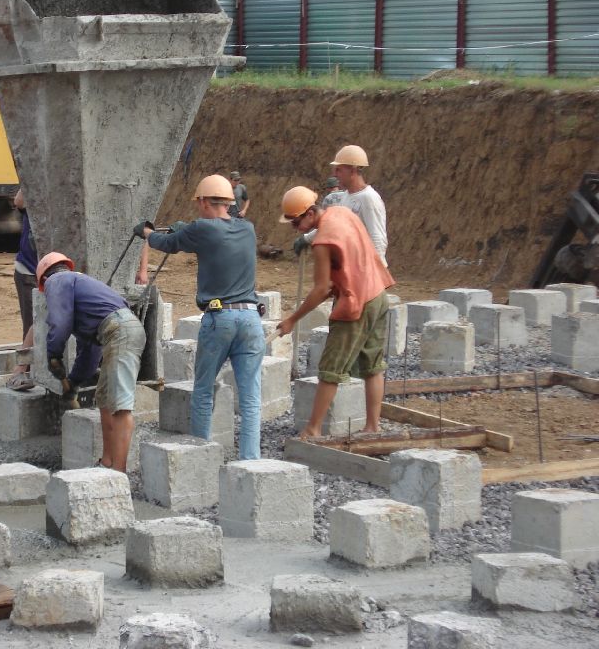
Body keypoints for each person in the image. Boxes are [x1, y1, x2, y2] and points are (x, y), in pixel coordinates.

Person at [135, 174, 264, 460]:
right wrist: (187, 231)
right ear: (230, 202)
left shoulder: (202, 229)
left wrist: (145, 233)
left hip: (220, 320)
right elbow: (211, 234)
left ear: (204, 202)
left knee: (203, 390)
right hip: (252, 319)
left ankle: (201, 459)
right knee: (251, 397)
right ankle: (251, 463)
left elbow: (165, 243)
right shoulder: (248, 229)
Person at [277, 186, 395, 438]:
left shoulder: (322, 242)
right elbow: (350, 260)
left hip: (356, 304)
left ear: (310, 213)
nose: (295, 229)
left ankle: (313, 429)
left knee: (331, 369)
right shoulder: (342, 212)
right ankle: (373, 426)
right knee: (373, 366)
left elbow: (321, 289)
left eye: (296, 222)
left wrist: (292, 320)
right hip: (378, 295)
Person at [38, 252, 146, 472]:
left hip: (120, 331)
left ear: (43, 280)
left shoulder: (57, 281)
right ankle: (106, 463)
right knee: (105, 400)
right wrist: (74, 382)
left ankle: (118, 474)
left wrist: (54, 354)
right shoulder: (83, 292)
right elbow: (90, 351)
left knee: (120, 405)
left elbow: (60, 323)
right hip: (117, 330)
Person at [330, 144, 388, 265]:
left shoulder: (369, 198)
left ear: (352, 170)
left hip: (366, 270)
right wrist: (307, 238)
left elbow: (377, 238)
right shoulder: (345, 197)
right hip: (353, 269)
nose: (335, 175)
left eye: (339, 170)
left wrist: (376, 272)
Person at [7, 188, 38, 390]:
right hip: (29, 270)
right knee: (32, 323)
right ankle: (22, 372)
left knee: (41, 321)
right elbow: (19, 201)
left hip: (53, 272)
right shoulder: (35, 192)